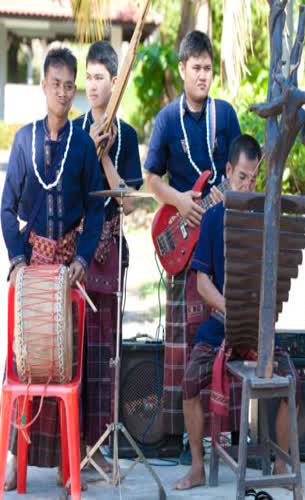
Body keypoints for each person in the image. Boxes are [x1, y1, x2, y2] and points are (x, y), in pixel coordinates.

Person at [1, 47, 104, 490]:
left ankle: (67, 463)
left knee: (70, 363)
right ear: (43, 85)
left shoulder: (82, 145)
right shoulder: (24, 140)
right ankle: (12, 459)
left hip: (68, 271)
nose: (62, 93)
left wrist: (81, 258)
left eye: (69, 86)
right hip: (32, 269)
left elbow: (96, 208)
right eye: (55, 84)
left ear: (73, 90)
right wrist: (16, 260)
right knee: (20, 361)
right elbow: (7, 207)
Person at [174, 134, 300, 490]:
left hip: (257, 330)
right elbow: (202, 283)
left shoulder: (266, 218)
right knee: (189, 381)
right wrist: (231, 309)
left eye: (253, 178)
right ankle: (197, 467)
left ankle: (279, 464)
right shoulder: (214, 218)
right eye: (242, 177)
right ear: (228, 172)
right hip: (221, 325)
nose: (248, 184)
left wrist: (258, 313)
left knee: (292, 380)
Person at [143, 30, 241, 434]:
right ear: (182, 68)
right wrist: (181, 202)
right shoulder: (167, 119)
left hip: (221, 241)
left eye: (208, 68)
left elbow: (240, 171)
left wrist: (229, 191)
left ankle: (221, 431)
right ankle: (180, 434)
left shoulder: (226, 115)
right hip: (182, 243)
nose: (203, 75)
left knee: (220, 335)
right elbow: (151, 178)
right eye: (196, 68)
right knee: (183, 339)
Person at [73, 40, 143, 472]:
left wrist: (103, 158)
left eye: (100, 77)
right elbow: (69, 193)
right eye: (89, 77)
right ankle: (72, 447)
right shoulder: (75, 130)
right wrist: (88, 147)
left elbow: (130, 203)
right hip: (77, 253)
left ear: (115, 82)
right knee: (76, 349)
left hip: (112, 251)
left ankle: (99, 447)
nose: (92, 85)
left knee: (107, 354)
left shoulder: (128, 136)